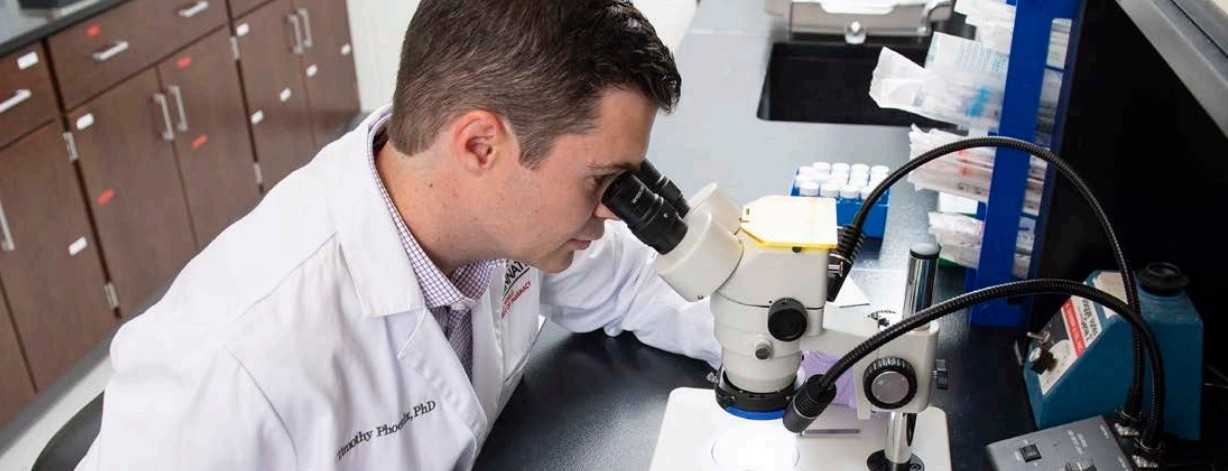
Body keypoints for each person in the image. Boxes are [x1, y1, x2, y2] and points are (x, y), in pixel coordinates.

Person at [75, 0, 722, 469]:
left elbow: (641, 284)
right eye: (603, 181)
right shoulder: (235, 364)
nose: (614, 211)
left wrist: (789, 350)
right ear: (478, 144)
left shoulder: (510, 223)